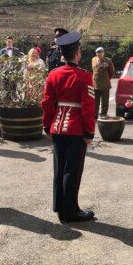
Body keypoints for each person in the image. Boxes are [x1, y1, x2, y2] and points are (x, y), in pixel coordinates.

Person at [42, 31, 96, 223]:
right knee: (72, 171)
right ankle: (70, 212)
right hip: (76, 129)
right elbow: (88, 107)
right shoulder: (83, 76)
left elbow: (47, 103)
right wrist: (90, 131)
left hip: (57, 127)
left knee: (59, 169)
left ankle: (60, 206)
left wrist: (47, 126)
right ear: (78, 52)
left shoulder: (53, 74)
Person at [91, 47, 115, 118]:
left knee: (105, 101)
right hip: (95, 84)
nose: (99, 54)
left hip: (105, 84)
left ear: (103, 53)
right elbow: (94, 70)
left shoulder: (108, 60)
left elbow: (112, 72)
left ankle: (103, 115)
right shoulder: (93, 59)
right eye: (98, 52)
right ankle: (95, 115)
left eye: (101, 52)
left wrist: (107, 79)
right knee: (95, 101)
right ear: (96, 53)